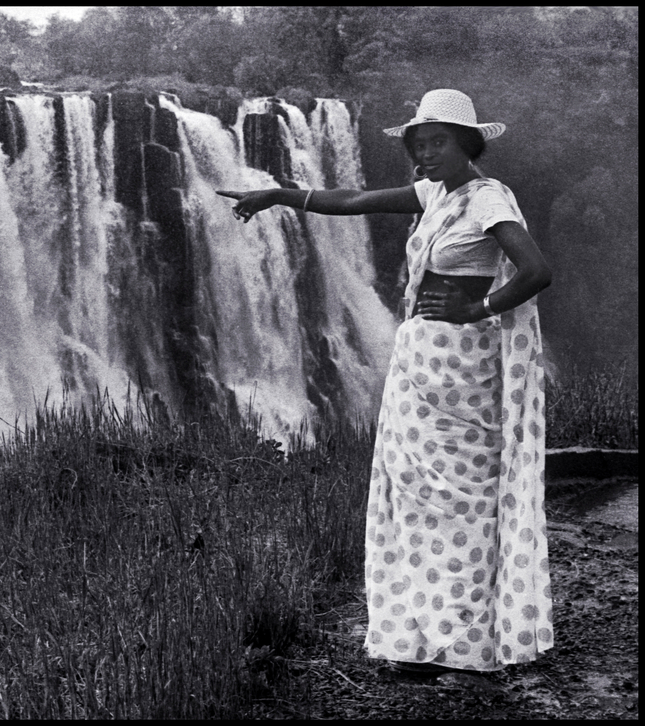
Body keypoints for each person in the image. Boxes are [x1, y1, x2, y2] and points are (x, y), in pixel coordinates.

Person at [217, 88, 553, 674]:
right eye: (417, 145)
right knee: (416, 496)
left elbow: (536, 270)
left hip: (464, 369)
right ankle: (421, 636)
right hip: (417, 365)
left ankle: (466, 641)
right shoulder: (432, 192)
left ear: (467, 144)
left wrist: (478, 309)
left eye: (437, 142)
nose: (424, 153)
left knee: (460, 499)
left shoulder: (489, 199)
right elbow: (354, 199)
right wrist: (278, 195)